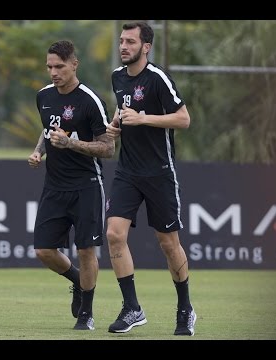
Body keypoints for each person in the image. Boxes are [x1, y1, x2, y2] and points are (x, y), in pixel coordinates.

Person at [105, 21, 196, 336]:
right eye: (121, 41)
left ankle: (185, 309)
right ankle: (132, 308)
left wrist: (145, 119)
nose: (123, 47)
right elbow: (124, 111)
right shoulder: (118, 77)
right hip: (127, 171)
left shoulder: (158, 78)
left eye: (130, 41)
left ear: (146, 47)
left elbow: (183, 119)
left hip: (159, 172)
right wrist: (116, 122)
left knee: (168, 243)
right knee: (115, 235)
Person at [28, 40, 115, 331]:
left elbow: (108, 148)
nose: (53, 72)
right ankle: (79, 281)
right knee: (43, 250)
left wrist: (70, 143)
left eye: (60, 66)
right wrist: (39, 150)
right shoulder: (44, 96)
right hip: (54, 186)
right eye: (50, 66)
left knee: (86, 250)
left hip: (87, 185)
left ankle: (86, 314)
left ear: (74, 65)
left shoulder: (89, 100)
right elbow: (47, 129)